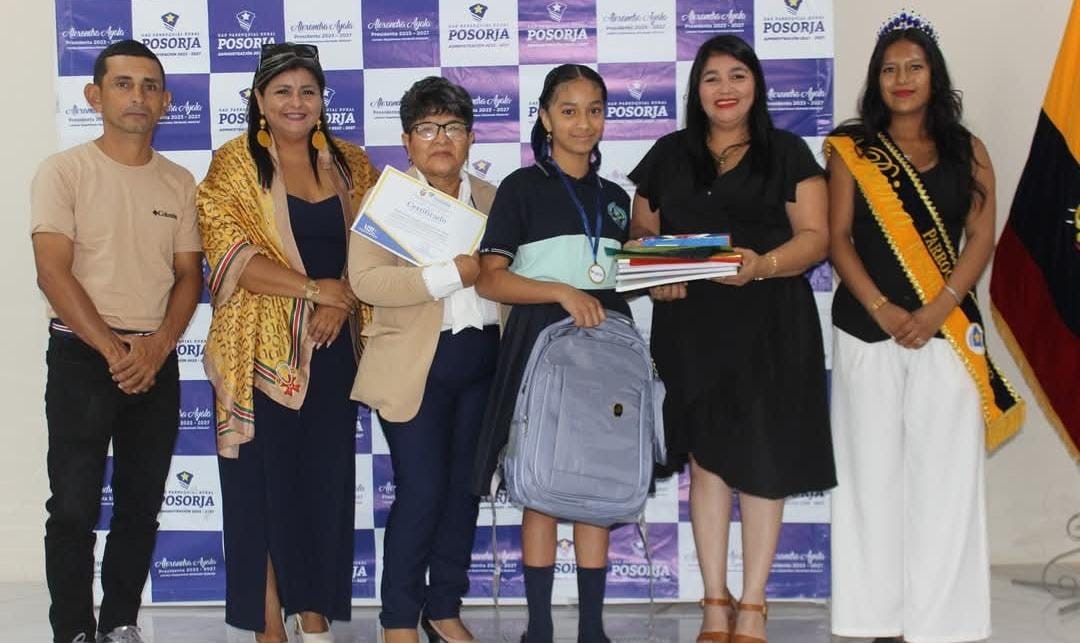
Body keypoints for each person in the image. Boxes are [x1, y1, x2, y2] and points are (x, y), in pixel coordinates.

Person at [627, 35, 836, 643]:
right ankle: (714, 602)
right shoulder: (670, 153)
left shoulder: (788, 152)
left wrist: (762, 264)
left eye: (737, 75)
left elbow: (816, 236)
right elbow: (640, 227)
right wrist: (655, 271)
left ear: (756, 85)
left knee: (764, 462)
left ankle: (753, 605)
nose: (725, 88)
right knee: (707, 462)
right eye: (712, 77)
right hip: (691, 328)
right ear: (696, 89)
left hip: (771, 323)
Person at [826, 14, 1022, 643]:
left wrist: (940, 306)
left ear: (934, 75)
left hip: (948, 332)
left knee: (946, 481)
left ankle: (945, 625)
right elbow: (837, 238)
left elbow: (981, 236)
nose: (902, 78)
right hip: (866, 331)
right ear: (875, 80)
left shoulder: (969, 150)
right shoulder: (852, 148)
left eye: (914, 66)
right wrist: (882, 307)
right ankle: (875, 621)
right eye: (889, 69)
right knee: (870, 480)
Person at [196, 43, 377, 643]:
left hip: (335, 348)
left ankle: (314, 609)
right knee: (263, 488)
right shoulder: (233, 165)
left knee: (324, 482)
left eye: (307, 91)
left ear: (322, 99)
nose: (296, 102)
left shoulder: (352, 164)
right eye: (282, 91)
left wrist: (340, 298)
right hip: (261, 351)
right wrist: (315, 291)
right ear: (259, 100)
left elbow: (380, 249)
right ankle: (269, 621)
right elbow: (230, 255)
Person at [30, 40, 203, 643]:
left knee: (139, 505)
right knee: (73, 506)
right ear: (94, 95)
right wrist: (113, 349)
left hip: (154, 359)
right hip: (83, 356)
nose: (138, 96)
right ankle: (73, 630)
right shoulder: (64, 171)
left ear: (166, 101)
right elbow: (52, 271)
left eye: (150, 86)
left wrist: (156, 347)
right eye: (123, 84)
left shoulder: (179, 181)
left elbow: (189, 275)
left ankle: (121, 622)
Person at [471, 64, 630, 643]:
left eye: (594, 110)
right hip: (539, 347)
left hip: (606, 350)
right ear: (544, 118)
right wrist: (560, 292)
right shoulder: (521, 188)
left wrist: (669, 275)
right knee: (538, 484)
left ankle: (592, 630)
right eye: (568, 110)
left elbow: (624, 277)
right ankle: (538, 628)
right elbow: (490, 279)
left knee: (597, 485)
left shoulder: (617, 199)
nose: (583, 123)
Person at [349, 76, 499, 643]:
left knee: (465, 491)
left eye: (454, 127)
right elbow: (365, 281)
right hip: (415, 368)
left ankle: (444, 609)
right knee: (422, 491)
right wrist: (448, 275)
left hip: (483, 362)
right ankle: (397, 619)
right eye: (428, 128)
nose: (442, 139)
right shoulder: (387, 202)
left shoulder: (493, 199)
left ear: (470, 137)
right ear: (408, 140)